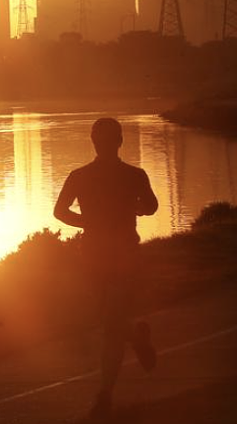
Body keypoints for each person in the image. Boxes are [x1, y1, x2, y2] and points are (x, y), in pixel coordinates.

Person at [53, 117, 159, 420]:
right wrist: (131, 209)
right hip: (113, 255)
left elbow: (60, 212)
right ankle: (137, 339)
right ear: (120, 141)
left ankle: (105, 395)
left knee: (110, 326)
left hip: (103, 256)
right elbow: (151, 206)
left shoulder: (80, 176)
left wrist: (87, 222)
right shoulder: (134, 175)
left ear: (94, 143)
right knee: (108, 320)